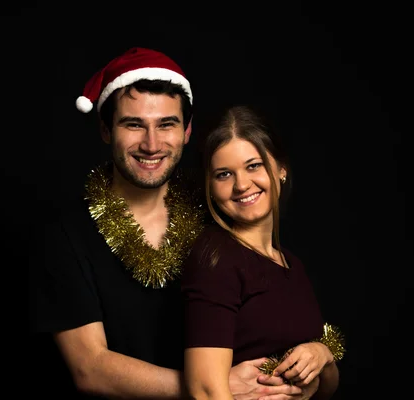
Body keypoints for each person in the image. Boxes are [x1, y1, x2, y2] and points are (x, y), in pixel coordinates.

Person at [29, 47, 310, 399]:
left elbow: (278, 305)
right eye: (134, 124)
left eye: (167, 125)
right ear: (105, 129)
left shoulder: (217, 207)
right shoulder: (66, 237)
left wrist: (322, 353)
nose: (151, 144)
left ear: (187, 130)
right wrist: (210, 386)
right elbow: (90, 368)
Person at [181, 105, 345, 400]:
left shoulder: (290, 264)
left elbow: (323, 390)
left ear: (281, 169)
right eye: (223, 174)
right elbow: (205, 391)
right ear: (209, 186)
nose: (242, 185)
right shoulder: (215, 259)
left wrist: (322, 355)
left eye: (253, 165)